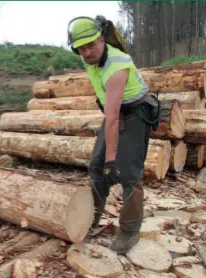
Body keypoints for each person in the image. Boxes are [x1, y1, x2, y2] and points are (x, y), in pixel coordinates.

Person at [67, 16, 160, 254]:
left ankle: (130, 231)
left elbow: (112, 119)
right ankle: (92, 217)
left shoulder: (117, 67)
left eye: (91, 45)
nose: (86, 52)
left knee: (129, 174)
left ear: (101, 39)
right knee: (96, 167)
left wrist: (113, 160)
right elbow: (110, 115)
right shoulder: (89, 59)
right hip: (115, 112)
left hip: (136, 114)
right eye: (81, 48)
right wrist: (106, 162)